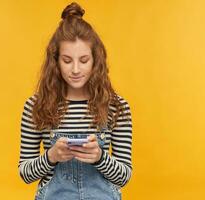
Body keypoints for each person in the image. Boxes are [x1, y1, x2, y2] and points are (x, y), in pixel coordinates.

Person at [18, 2, 133, 200]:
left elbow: (124, 176)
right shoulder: (35, 106)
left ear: (96, 60)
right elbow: (25, 174)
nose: (76, 70)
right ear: (55, 61)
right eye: (67, 60)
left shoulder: (116, 106)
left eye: (84, 60)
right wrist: (51, 156)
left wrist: (100, 158)